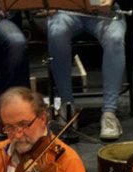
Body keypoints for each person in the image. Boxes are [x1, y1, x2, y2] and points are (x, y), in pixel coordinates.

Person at [45, 0, 127, 140]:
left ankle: (109, 112)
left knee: (115, 38)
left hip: (104, 11)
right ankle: (67, 106)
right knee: (56, 34)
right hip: (66, 11)